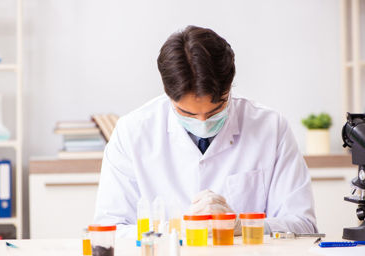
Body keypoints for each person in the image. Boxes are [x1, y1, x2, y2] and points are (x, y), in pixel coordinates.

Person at [94, 25, 317, 238]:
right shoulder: (132, 132)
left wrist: (241, 225)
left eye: (215, 110)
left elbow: (304, 226)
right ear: (168, 94)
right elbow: (109, 229)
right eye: (187, 113)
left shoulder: (271, 127)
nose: (202, 122)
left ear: (229, 88)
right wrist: (178, 228)